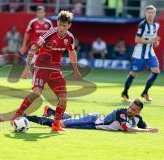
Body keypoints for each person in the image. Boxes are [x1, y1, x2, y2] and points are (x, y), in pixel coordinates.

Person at [11, 11, 82, 131]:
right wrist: (27, 67)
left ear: (69, 25)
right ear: (57, 23)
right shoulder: (49, 34)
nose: (61, 28)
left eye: (64, 26)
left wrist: (76, 70)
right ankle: (17, 115)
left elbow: (72, 52)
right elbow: (33, 49)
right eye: (59, 25)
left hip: (55, 70)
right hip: (41, 68)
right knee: (37, 93)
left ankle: (56, 125)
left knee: (63, 99)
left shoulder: (69, 38)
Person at [25, 99, 158, 133]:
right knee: (60, 123)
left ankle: (50, 110)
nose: (130, 110)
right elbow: (127, 129)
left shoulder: (138, 118)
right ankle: (27, 117)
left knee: (69, 119)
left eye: (133, 110)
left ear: (138, 112)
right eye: (130, 107)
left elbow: (145, 126)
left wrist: (151, 128)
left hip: (93, 126)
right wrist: (146, 131)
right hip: (92, 120)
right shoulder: (121, 112)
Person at [121, 5, 160, 101]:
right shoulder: (142, 25)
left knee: (156, 71)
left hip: (150, 52)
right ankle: (124, 92)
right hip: (139, 53)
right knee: (133, 74)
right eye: (149, 12)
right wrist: (151, 41)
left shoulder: (156, 25)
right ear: (145, 14)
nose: (150, 14)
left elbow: (154, 39)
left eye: (152, 12)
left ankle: (145, 92)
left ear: (155, 14)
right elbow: (137, 39)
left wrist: (155, 42)